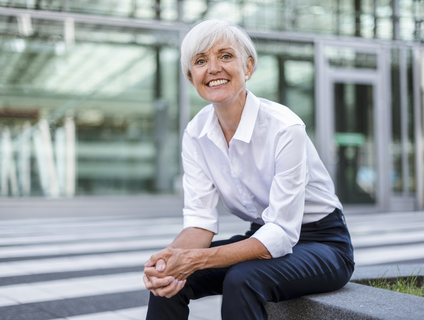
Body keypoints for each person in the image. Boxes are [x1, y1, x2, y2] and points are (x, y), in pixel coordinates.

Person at [143, 19, 355, 320]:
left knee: (243, 279)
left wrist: (196, 259)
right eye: (201, 61)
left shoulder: (284, 128)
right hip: (260, 237)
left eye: (225, 56)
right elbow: (200, 222)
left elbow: (281, 232)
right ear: (192, 78)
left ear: (248, 67)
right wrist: (168, 260)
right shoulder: (196, 133)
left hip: (323, 243)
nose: (213, 68)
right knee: (171, 280)